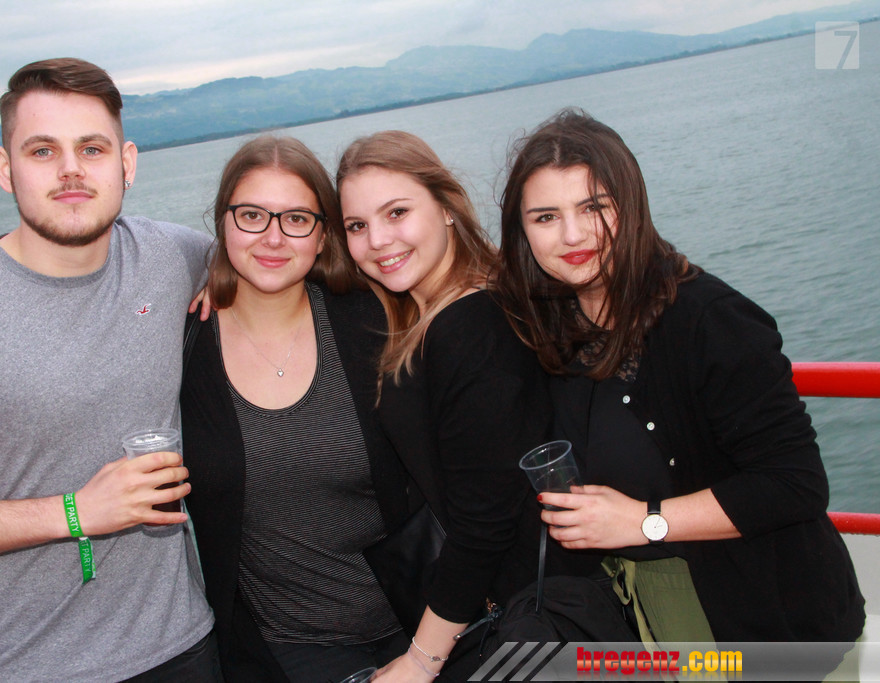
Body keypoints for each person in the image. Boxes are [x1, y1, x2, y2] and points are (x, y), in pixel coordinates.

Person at [0, 58, 221, 681]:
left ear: (127, 163)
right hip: (26, 663)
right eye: (43, 150)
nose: (71, 169)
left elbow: (274, 259)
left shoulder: (174, 257)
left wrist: (232, 282)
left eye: (92, 148)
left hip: (183, 646)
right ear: (5, 169)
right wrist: (75, 512)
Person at [492, 109, 864, 656]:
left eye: (595, 207)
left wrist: (643, 522)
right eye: (546, 216)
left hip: (761, 620)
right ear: (521, 231)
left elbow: (795, 483)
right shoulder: (552, 326)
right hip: (640, 616)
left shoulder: (710, 321)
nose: (573, 235)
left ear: (633, 206)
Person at [181, 135, 411, 683]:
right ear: (223, 223)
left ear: (323, 234)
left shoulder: (371, 319)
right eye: (252, 215)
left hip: (419, 619)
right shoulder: (185, 346)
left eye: (297, 220)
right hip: (286, 648)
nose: (273, 238)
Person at [336, 131, 556, 681]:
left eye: (397, 213)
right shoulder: (432, 313)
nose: (378, 241)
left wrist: (422, 660)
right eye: (356, 226)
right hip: (498, 606)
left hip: (519, 617)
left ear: (447, 207)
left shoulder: (470, 327)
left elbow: (484, 522)